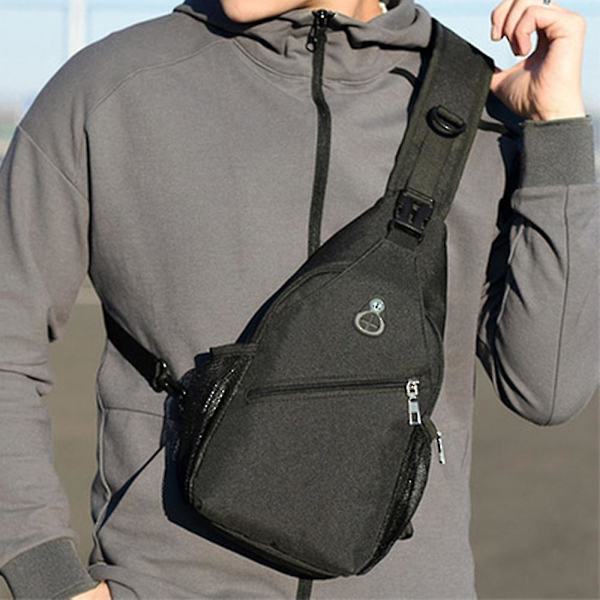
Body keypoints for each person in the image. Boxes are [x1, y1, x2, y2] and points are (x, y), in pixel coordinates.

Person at [0, 0, 597, 598]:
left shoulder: (477, 105)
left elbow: (546, 387)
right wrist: (46, 578)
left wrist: (559, 131)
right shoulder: (112, 89)